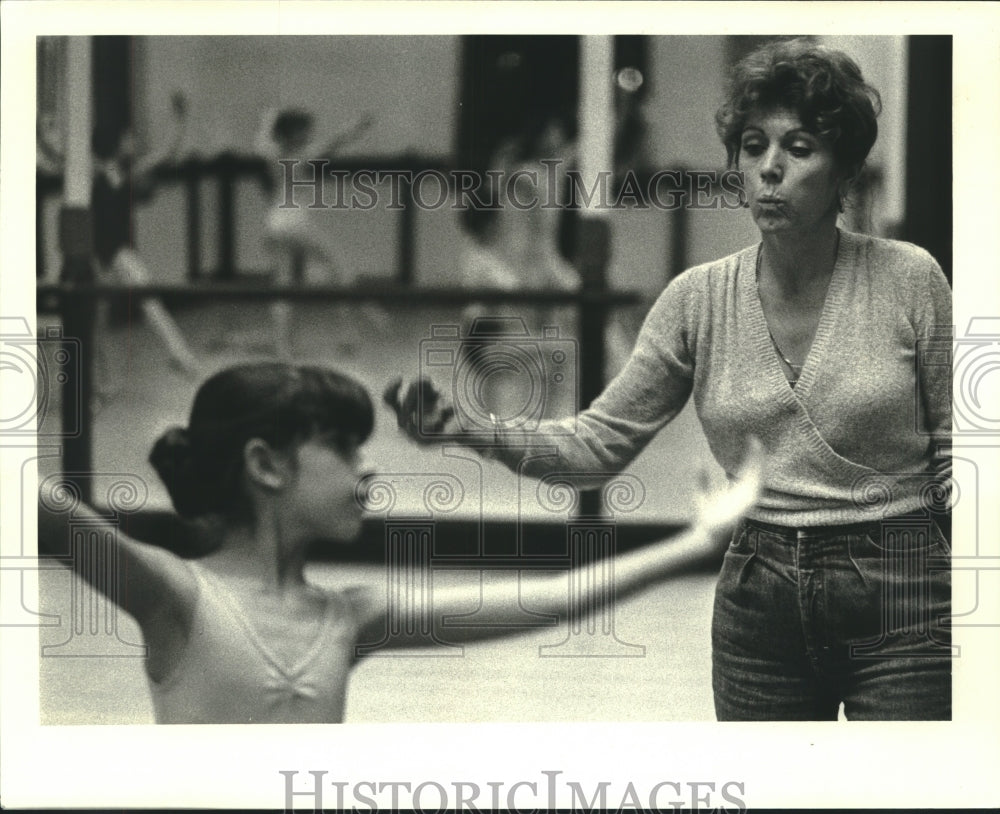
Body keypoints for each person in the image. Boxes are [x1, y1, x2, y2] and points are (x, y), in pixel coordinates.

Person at [386, 38, 953, 721]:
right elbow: (596, 445)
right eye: (752, 146)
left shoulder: (909, 278)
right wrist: (469, 430)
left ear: (843, 169)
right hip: (758, 594)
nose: (770, 168)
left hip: (900, 588)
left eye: (799, 148)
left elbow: (957, 445)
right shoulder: (698, 299)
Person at [37, 361, 762, 725]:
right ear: (265, 464)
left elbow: (557, 598)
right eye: (344, 450)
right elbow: (44, 511)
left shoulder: (350, 618)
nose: (370, 466)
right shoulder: (173, 597)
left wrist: (697, 541)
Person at [38, 91, 202, 380]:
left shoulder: (127, 171)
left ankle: (181, 356)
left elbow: (167, 154)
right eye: (129, 137)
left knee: (147, 298)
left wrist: (179, 120)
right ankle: (97, 376)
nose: (134, 142)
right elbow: (56, 156)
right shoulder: (91, 169)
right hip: (93, 252)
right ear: (115, 142)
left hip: (116, 250)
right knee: (97, 319)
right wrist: (41, 130)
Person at [252, 107, 383, 357]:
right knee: (338, 266)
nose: (310, 134)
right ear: (294, 133)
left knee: (283, 285)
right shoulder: (303, 155)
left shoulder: (270, 154)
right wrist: (358, 127)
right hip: (295, 222)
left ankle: (283, 348)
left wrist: (269, 117)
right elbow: (336, 141)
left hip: (274, 223)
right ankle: (352, 329)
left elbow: (261, 138)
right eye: (305, 130)